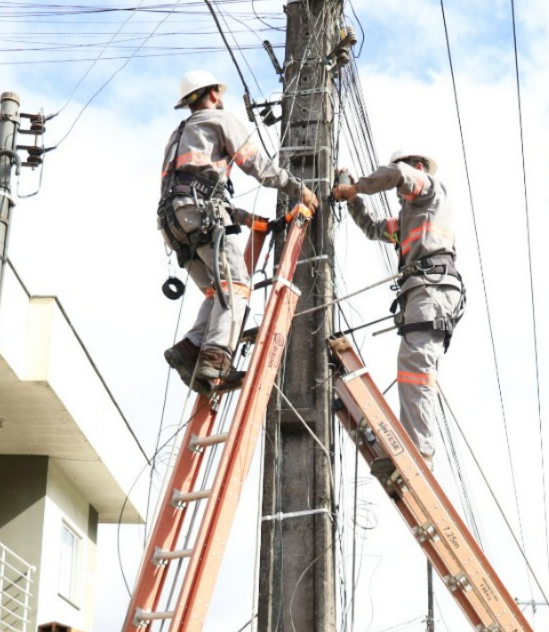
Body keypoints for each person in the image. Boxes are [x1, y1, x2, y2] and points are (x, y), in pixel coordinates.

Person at [159, 70, 319, 393]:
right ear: (214, 94)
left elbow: (193, 187)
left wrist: (249, 219)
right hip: (199, 213)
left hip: (174, 223)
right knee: (238, 285)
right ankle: (215, 359)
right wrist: (298, 188)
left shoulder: (178, 136)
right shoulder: (220, 121)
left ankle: (189, 349)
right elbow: (256, 165)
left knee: (217, 291)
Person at [332, 151, 465, 472]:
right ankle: (417, 450)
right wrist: (351, 195)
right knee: (411, 362)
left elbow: (396, 174)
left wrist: (358, 187)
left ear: (417, 167)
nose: (396, 191)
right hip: (422, 290)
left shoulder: (430, 191)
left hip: (432, 286)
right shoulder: (410, 219)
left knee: (415, 363)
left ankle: (420, 455)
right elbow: (372, 228)